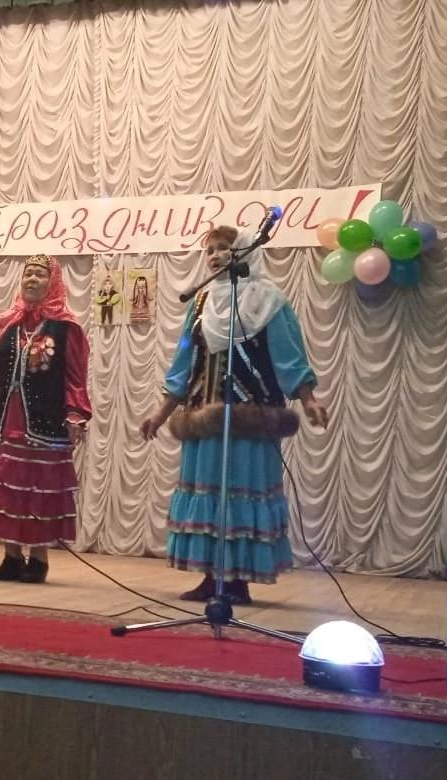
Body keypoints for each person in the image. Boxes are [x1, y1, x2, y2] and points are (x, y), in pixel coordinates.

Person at [140, 225, 329, 605]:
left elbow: (289, 357)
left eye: (223, 248)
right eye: (209, 250)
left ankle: (238, 580)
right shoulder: (200, 304)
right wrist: (160, 414)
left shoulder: (269, 301)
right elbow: (184, 363)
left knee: (240, 493)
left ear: (242, 252)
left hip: (251, 420)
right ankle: (211, 577)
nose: (214, 256)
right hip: (204, 419)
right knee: (209, 494)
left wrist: (308, 400)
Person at [0, 254, 91, 584]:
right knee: (7, 489)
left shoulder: (66, 328)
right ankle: (11, 556)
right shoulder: (8, 325)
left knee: (40, 491)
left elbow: (75, 377)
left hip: (44, 421)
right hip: (5, 420)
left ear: (53, 282)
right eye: (27, 274)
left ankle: (38, 558)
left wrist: (76, 414)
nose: (31, 280)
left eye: (39, 274)